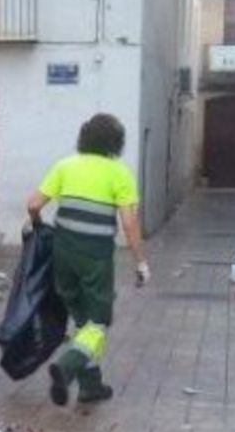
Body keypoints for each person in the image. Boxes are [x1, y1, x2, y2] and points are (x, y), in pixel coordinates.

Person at [26, 113, 149, 406]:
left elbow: (33, 204)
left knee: (82, 322)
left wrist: (38, 223)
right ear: (116, 143)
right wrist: (140, 262)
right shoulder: (119, 173)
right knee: (99, 322)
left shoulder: (65, 166)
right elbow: (129, 224)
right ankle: (66, 368)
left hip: (63, 252)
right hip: (95, 256)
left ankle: (91, 387)